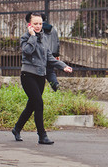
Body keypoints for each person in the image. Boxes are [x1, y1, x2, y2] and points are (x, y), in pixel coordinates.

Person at [12, 12, 72, 145]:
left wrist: (63, 66)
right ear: (30, 24)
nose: (38, 26)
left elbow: (49, 57)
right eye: (35, 24)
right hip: (28, 76)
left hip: (40, 76)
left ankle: (17, 128)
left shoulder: (44, 38)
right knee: (39, 103)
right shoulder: (25, 37)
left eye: (40, 24)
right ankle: (42, 135)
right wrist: (33, 37)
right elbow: (27, 51)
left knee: (31, 106)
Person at [41, 14, 61, 91]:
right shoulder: (53, 29)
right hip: (52, 54)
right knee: (50, 72)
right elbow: (57, 43)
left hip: (42, 53)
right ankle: (55, 85)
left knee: (40, 72)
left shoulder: (37, 29)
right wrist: (57, 54)